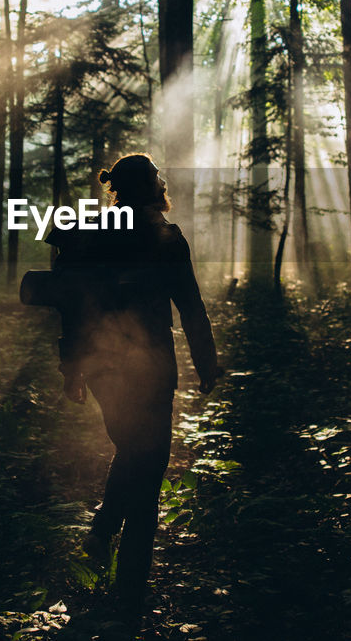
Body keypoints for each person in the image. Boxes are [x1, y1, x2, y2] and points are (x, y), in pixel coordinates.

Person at [45, 153, 221, 622]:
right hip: (152, 368)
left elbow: (72, 308)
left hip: (103, 368)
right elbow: (190, 304)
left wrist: (73, 370)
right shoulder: (166, 236)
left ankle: (102, 539)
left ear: (116, 190)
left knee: (132, 453)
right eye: (159, 178)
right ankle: (129, 594)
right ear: (152, 188)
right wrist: (207, 361)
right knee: (149, 467)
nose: (165, 183)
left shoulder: (91, 233)